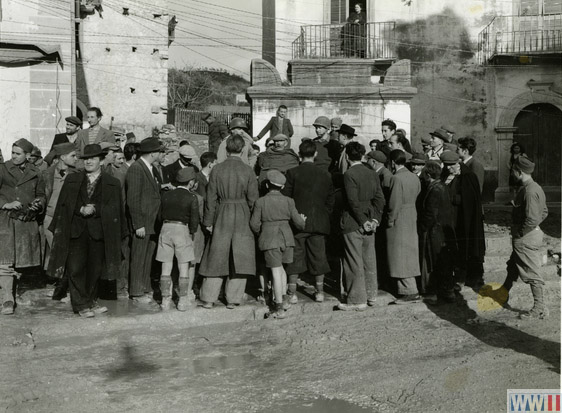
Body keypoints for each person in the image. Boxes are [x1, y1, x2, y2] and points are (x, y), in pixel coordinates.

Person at [48, 144, 124, 317]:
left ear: (102, 160)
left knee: (95, 269)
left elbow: (115, 210)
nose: (88, 161)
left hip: (99, 232)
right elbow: (64, 205)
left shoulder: (112, 183)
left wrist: (96, 209)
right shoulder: (72, 179)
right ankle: (81, 305)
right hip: (76, 230)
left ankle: (90, 300)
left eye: (93, 158)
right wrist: (80, 209)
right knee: (75, 269)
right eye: (85, 159)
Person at [199, 135, 259, 309]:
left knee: (216, 254)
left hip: (222, 212)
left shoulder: (217, 169)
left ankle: (209, 298)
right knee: (240, 256)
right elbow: (253, 199)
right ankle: (233, 299)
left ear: (226, 149)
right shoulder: (248, 170)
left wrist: (208, 221)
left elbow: (210, 198)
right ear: (243, 150)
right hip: (242, 214)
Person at [491, 157, 549, 319]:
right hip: (530, 234)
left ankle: (539, 307)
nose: (512, 174)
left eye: (513, 171)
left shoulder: (529, 191)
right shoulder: (534, 187)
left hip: (525, 237)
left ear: (519, 172)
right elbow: (544, 212)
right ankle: (503, 294)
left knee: (531, 272)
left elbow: (532, 218)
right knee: (513, 266)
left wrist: (521, 232)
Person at [282, 140, 334, 303]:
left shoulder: (291, 173)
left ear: (299, 154)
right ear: (316, 154)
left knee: (295, 257)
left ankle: (292, 293)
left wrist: (295, 216)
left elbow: (287, 199)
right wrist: (324, 214)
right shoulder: (325, 174)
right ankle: (320, 292)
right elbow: (330, 200)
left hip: (298, 223)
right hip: (319, 222)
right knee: (319, 257)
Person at [251, 169, 306, 318]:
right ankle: (284, 299)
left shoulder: (260, 202)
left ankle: (279, 307)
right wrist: (303, 220)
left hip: (270, 239)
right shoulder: (289, 201)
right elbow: (300, 223)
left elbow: (254, 224)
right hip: (287, 238)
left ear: (268, 186)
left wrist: (262, 233)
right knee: (282, 269)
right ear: (282, 187)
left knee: (275, 271)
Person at [0, 139, 46, 315]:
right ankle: (7, 298)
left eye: (18, 154)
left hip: (26, 221)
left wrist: (38, 204)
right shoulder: (3, 169)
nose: (13, 157)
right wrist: (6, 204)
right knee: (5, 262)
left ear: (28, 156)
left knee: (20, 262)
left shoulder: (36, 172)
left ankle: (15, 292)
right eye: (12, 153)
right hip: (6, 220)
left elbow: (42, 194)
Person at [337, 142, 385, 311]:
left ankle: (357, 299)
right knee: (369, 259)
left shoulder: (349, 174)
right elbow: (380, 199)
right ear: (363, 155)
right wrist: (374, 220)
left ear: (348, 156)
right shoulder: (372, 173)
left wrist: (363, 220)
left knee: (353, 260)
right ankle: (372, 295)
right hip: (370, 221)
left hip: (353, 222)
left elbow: (352, 201)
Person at [440, 150, 485, 290]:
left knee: (467, 247)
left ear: (458, 163)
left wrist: (449, 198)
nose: (448, 168)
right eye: (446, 165)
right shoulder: (447, 174)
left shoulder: (468, 177)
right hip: (451, 219)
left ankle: (469, 277)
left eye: (450, 165)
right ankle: (456, 276)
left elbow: (469, 200)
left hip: (465, 220)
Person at [156, 167, 200, 312]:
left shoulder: (166, 195)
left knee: (165, 267)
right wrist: (192, 232)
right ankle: (182, 300)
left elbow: (159, 216)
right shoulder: (191, 197)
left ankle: (165, 300)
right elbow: (194, 221)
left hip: (166, 228)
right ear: (191, 182)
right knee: (183, 267)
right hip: (182, 229)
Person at [125, 137, 162, 303]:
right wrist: (138, 224)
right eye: (159, 151)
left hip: (151, 222)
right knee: (139, 257)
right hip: (143, 223)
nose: (161, 154)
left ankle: (145, 287)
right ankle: (136, 292)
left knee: (148, 257)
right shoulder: (136, 168)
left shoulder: (149, 167)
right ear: (153, 153)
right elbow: (133, 199)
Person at [41, 143, 78, 300]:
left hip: (68, 219)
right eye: (73, 156)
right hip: (50, 219)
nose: (76, 159)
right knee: (58, 253)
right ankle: (60, 288)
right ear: (63, 157)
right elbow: (42, 195)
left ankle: (63, 288)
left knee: (67, 253)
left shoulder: (76, 174)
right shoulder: (46, 174)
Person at [418, 161, 456, 304]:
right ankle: (448, 292)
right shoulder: (443, 186)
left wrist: (422, 228)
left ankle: (432, 293)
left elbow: (430, 214)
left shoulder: (434, 189)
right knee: (444, 261)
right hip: (444, 230)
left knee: (432, 263)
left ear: (428, 174)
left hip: (435, 231)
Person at [386, 149, 422, 303]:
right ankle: (410, 289)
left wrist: (390, 220)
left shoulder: (396, 178)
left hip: (400, 218)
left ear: (393, 162)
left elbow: (394, 203)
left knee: (399, 255)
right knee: (409, 252)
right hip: (411, 215)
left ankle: (408, 291)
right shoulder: (414, 177)